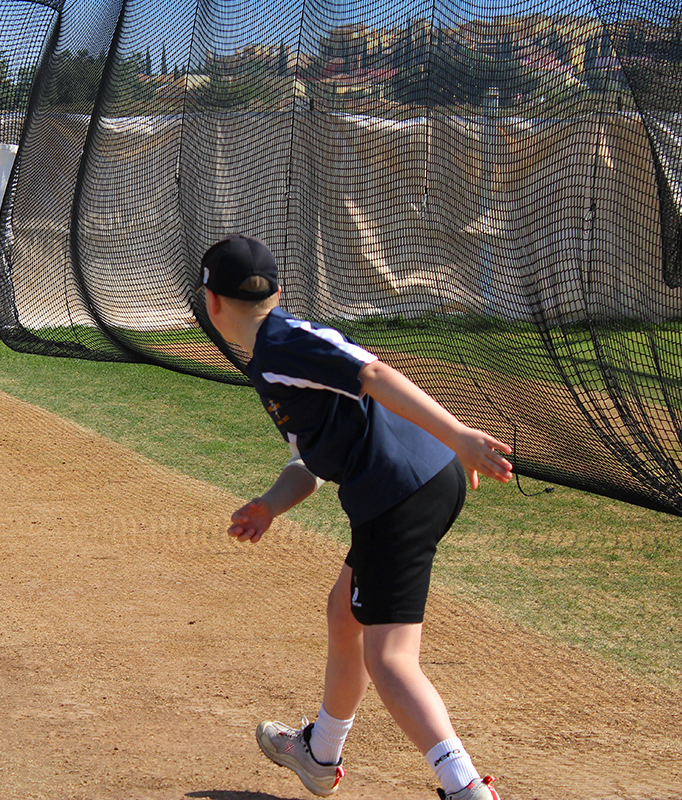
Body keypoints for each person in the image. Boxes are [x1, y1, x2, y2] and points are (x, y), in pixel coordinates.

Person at [198, 234, 513, 800]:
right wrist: (270, 504)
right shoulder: (275, 356)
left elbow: (374, 374)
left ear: (210, 301)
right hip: (413, 484)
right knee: (345, 614)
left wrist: (460, 436)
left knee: (389, 657)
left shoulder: (282, 342)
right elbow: (314, 460)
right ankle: (321, 755)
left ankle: (464, 788)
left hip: (399, 493)